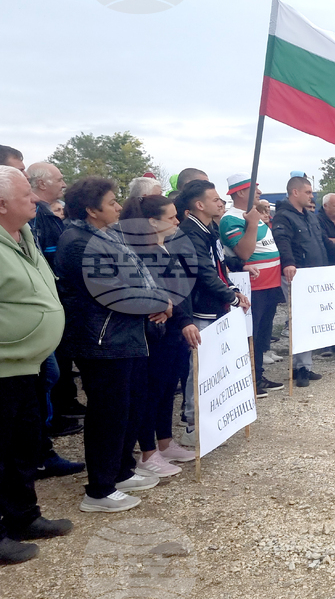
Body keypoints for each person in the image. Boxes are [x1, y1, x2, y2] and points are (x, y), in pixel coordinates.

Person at [57, 177, 174, 513]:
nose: (119, 207)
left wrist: (156, 297)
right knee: (107, 413)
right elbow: (111, 291)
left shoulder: (105, 236)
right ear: (92, 210)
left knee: (129, 408)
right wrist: (156, 301)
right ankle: (99, 489)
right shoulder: (78, 242)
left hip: (124, 336)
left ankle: (121, 471)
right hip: (103, 339)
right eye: (111, 203)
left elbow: (134, 278)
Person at [0, 165, 74, 563]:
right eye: (26, 195)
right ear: (1, 204)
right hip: (4, 366)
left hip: (30, 363)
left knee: (24, 446)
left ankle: (23, 516)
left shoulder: (25, 234)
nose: (35, 200)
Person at [119, 196, 198, 477]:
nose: (177, 222)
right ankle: (148, 451)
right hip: (157, 333)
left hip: (175, 328)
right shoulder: (139, 251)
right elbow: (155, 293)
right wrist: (169, 310)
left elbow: (178, 289)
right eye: (172, 217)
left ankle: (165, 442)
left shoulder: (165, 247)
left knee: (167, 389)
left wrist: (177, 312)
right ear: (152, 222)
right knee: (151, 393)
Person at [174, 181, 251, 439]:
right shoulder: (188, 233)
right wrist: (232, 296)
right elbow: (203, 273)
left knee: (217, 364)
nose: (221, 203)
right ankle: (192, 424)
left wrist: (231, 287)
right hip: (199, 309)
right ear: (199, 205)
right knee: (200, 367)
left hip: (215, 306)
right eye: (215, 199)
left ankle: (214, 417)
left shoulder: (209, 229)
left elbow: (219, 266)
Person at [27, 162, 86, 434]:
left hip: (57, 301)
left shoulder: (48, 215)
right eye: (59, 179)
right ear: (42, 184)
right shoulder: (37, 216)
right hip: (52, 302)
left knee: (59, 365)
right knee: (51, 370)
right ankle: (51, 423)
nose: (64, 184)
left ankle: (64, 407)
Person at [219, 174, 285, 394]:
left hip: (270, 283)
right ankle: (250, 380)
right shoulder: (231, 219)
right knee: (252, 334)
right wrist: (253, 224)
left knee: (263, 333)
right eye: (254, 188)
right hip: (253, 286)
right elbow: (244, 252)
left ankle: (258, 375)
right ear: (240, 193)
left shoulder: (253, 215)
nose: (259, 192)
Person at [273, 177, 333, 386]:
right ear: (295, 193)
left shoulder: (311, 217)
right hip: (297, 275)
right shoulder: (283, 217)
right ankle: (299, 368)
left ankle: (306, 365)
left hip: (315, 276)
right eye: (307, 192)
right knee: (299, 320)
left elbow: (323, 242)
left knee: (311, 319)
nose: (311, 195)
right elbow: (283, 241)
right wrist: (288, 262)